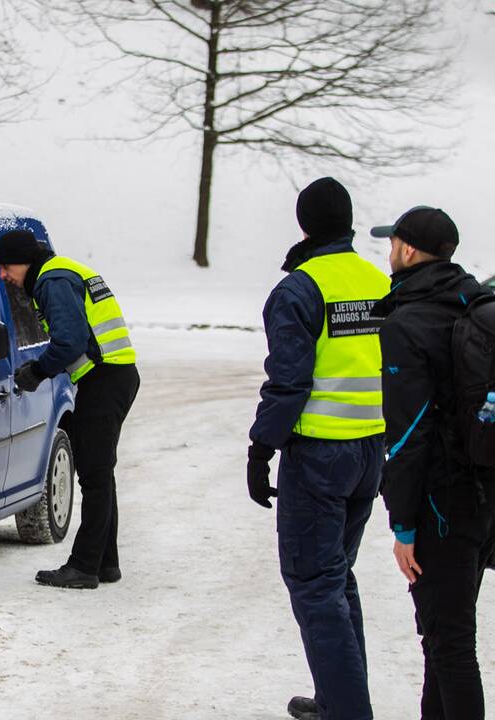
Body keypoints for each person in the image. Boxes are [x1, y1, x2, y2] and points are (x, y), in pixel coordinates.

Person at [246, 177, 388, 720]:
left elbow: (288, 383)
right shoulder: (377, 281)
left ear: (305, 225)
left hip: (321, 456)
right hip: (369, 453)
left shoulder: (300, 290)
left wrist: (261, 448)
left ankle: (348, 712)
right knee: (335, 578)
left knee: (313, 582)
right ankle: (337, 700)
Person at [370, 206, 495, 719]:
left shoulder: (408, 322)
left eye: (392, 242)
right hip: (485, 492)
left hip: (442, 503)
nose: (389, 252)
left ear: (408, 250)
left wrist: (402, 525)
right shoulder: (473, 301)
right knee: (441, 638)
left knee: (451, 645)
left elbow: (407, 436)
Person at [0, 230, 139, 589]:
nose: (3, 275)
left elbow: (69, 340)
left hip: (104, 379)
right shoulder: (63, 270)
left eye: (6, 266)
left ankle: (84, 567)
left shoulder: (53, 280)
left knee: (94, 476)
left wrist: (37, 372)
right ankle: (106, 563)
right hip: (113, 377)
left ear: (25, 261)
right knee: (100, 472)